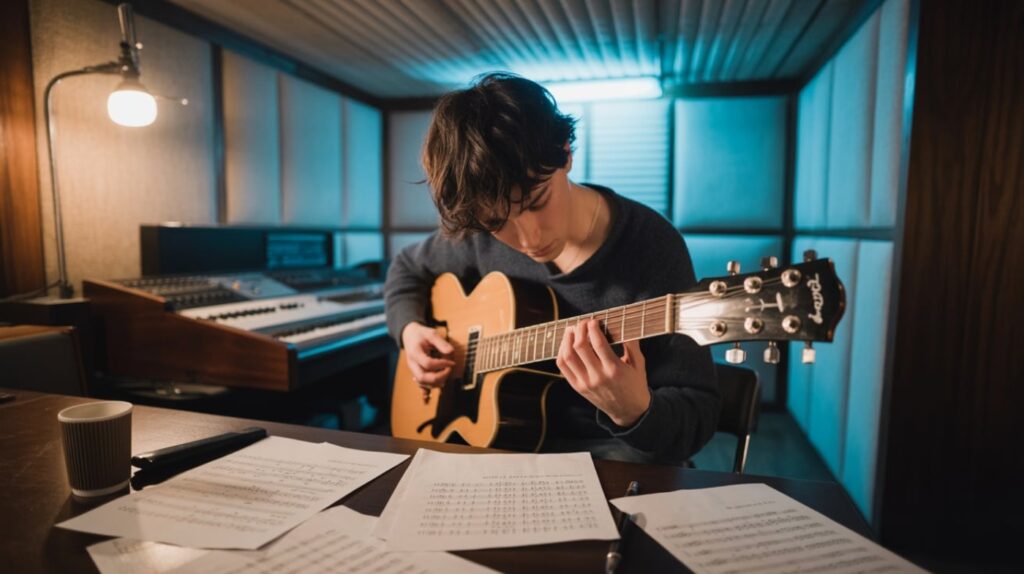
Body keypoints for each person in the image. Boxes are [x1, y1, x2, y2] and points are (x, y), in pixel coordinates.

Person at [384, 72, 718, 464]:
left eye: (537, 201)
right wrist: (410, 330)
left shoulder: (651, 244)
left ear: (566, 151)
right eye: (497, 223)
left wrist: (635, 411)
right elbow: (406, 268)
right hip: (500, 450)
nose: (528, 239)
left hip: (615, 454)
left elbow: (698, 415)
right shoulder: (477, 234)